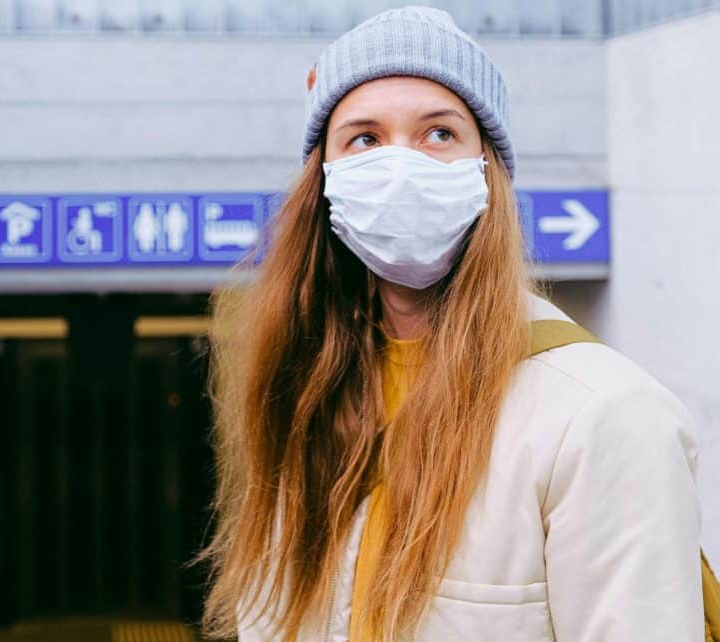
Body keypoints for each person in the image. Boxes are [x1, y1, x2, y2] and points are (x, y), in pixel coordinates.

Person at [191, 6, 703, 642]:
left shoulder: (604, 415)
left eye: (439, 134)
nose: (401, 166)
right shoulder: (306, 393)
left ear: (487, 170)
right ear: (324, 180)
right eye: (365, 139)